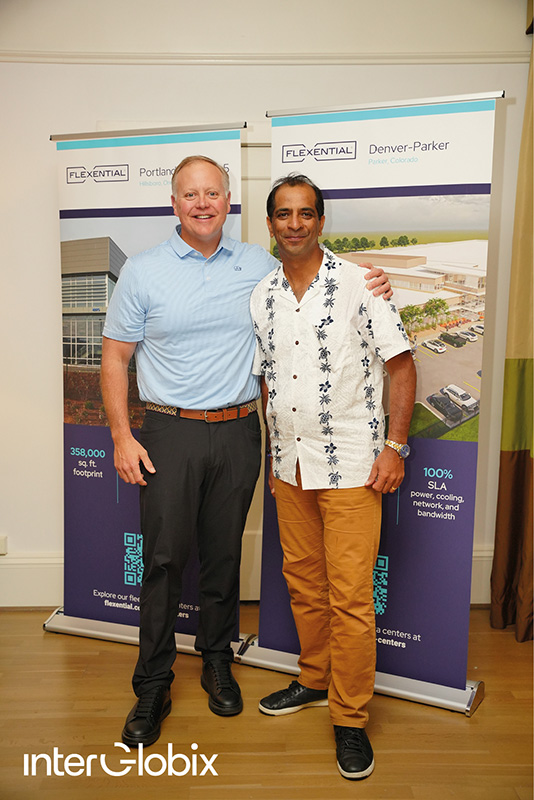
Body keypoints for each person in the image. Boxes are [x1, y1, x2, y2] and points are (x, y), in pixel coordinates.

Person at [100, 156, 391, 749]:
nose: (202, 204)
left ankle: (216, 661)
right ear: (174, 203)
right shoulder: (143, 271)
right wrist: (122, 436)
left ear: (229, 201)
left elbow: (316, 272)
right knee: (163, 562)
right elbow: (115, 356)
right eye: (190, 195)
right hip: (169, 431)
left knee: (223, 557)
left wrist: (373, 279)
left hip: (239, 432)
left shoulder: (259, 265)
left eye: (212, 193)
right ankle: (152, 684)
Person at [250, 174, 416, 781]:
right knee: (303, 584)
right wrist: (274, 457)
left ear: (321, 221)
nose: (294, 224)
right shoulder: (263, 295)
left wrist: (395, 447)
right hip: (290, 467)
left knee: (349, 598)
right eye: (283, 214)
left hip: (352, 466)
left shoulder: (359, 285)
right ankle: (315, 679)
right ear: (271, 223)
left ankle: (350, 718)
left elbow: (401, 366)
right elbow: (268, 381)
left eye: (305, 213)